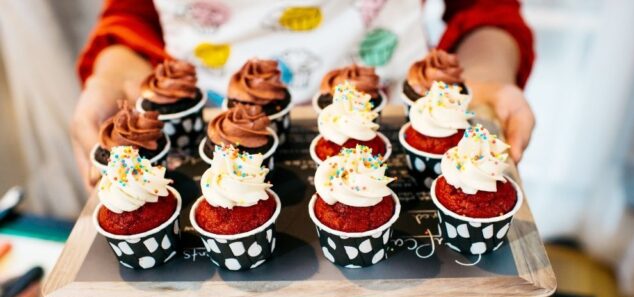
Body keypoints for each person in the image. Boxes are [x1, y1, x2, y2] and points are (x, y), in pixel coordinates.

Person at [71, 0, 535, 188]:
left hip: (396, 132)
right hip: (198, 147)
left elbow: (485, 7)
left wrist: (488, 72)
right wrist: (113, 75)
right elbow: (132, 12)